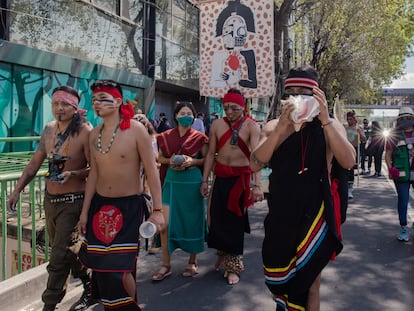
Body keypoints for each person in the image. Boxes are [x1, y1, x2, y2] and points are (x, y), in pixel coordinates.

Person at [250, 65, 355, 311]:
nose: (297, 97)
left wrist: (326, 120)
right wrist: (281, 130)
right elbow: (256, 161)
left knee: (311, 283)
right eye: (292, 92)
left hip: (315, 214)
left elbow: (348, 161)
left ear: (316, 94)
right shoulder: (273, 125)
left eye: (304, 92)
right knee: (279, 276)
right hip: (281, 212)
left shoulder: (329, 125)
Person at [78, 80, 165, 310]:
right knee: (102, 266)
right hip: (99, 206)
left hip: (129, 207)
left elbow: (152, 170)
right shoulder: (93, 134)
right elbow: (94, 175)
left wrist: (157, 211)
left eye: (103, 99)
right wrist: (84, 212)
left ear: (117, 102)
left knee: (121, 266)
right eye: (94, 99)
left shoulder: (136, 131)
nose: (97, 104)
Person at [7, 85, 94, 311]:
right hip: (50, 200)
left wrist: (73, 174)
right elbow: (34, 164)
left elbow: (95, 169)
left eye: (65, 104)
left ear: (75, 108)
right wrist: (17, 190)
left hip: (73, 200)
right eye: (55, 103)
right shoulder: (48, 130)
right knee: (66, 249)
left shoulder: (85, 131)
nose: (59, 108)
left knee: (56, 258)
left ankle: (49, 305)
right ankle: (89, 282)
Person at [200, 88, 263, 285]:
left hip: (239, 181)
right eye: (226, 108)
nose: (229, 112)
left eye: (234, 108)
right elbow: (211, 153)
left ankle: (233, 265)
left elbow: (256, 156)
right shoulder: (218, 124)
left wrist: (257, 185)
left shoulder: (252, 126)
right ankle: (223, 253)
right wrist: (205, 181)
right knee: (215, 220)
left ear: (242, 107)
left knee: (234, 223)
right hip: (220, 177)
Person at [151, 102, 209, 281]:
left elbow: (207, 159)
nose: (186, 115)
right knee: (165, 224)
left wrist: (192, 162)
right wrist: (171, 162)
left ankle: (192, 262)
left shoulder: (200, 138)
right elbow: (159, 157)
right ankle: (166, 264)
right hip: (172, 182)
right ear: (175, 116)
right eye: (182, 113)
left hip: (192, 183)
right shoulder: (165, 136)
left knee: (192, 221)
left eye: (189, 113)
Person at [385, 107, 414, 242]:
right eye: (403, 118)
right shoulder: (394, 135)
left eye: (408, 118)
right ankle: (403, 228)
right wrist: (391, 169)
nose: (406, 121)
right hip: (401, 174)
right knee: (403, 200)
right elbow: (388, 154)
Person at [344, 111, 366, 199]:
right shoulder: (344, 127)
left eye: (351, 119)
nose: (349, 121)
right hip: (345, 149)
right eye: (348, 119)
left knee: (351, 168)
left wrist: (360, 134)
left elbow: (364, 139)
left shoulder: (358, 128)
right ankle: (344, 186)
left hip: (354, 150)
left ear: (354, 119)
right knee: (345, 168)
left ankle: (350, 188)